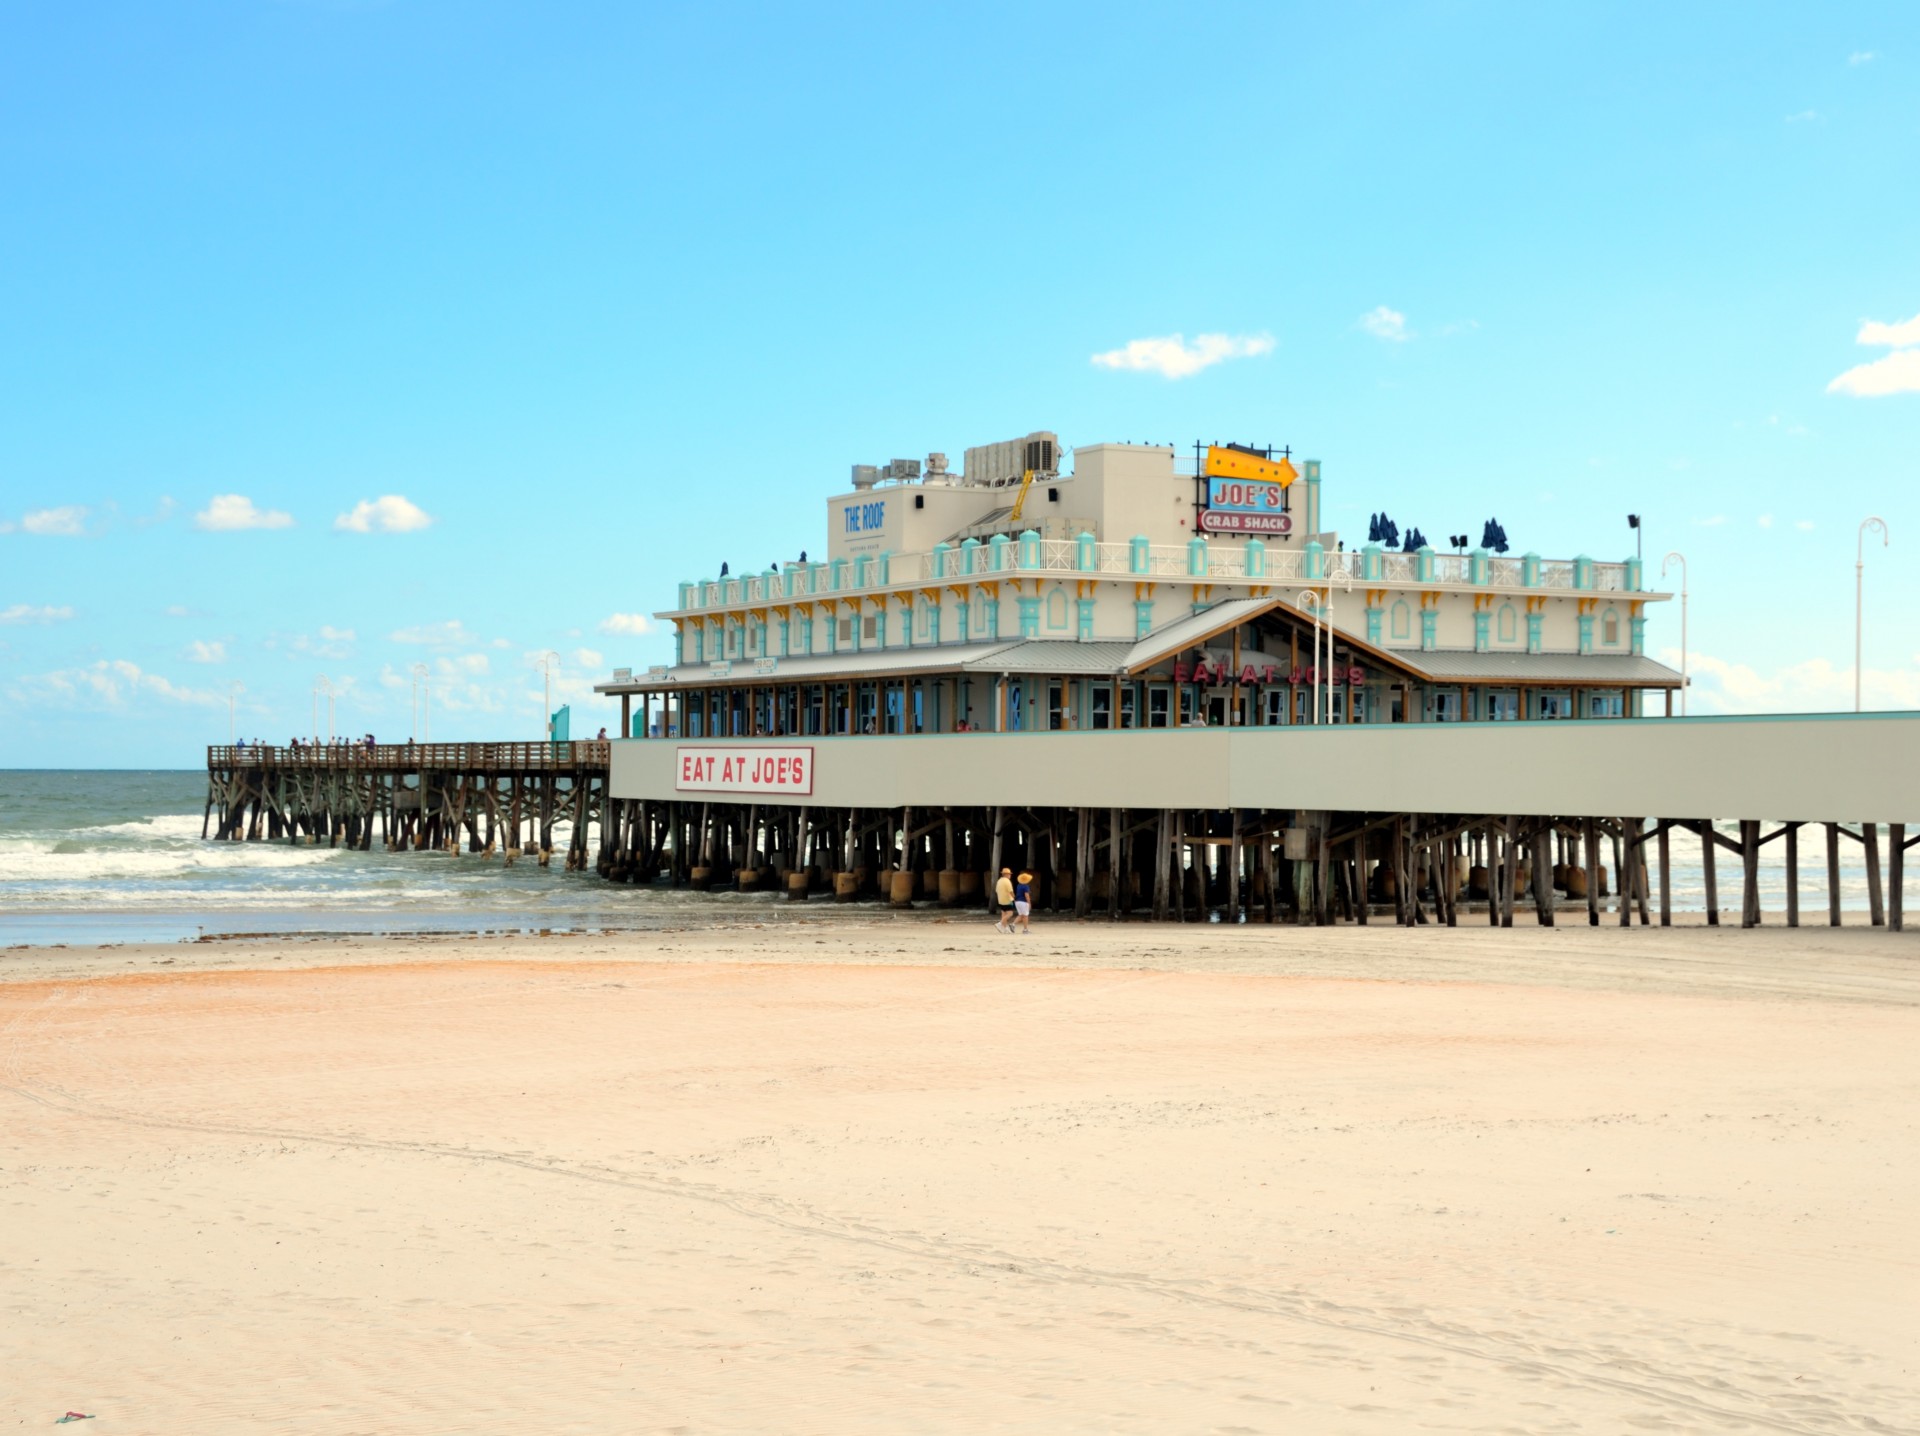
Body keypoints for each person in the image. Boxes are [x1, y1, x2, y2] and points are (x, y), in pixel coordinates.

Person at [993, 867, 1015, 933]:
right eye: (1009, 874)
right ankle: (1000, 923)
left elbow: (996, 890)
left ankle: (1004, 928)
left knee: (1004, 913)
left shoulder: (999, 881)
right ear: (1006, 874)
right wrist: (1014, 897)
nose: (1010, 875)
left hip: (1001, 900)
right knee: (1010, 913)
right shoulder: (1007, 881)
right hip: (1007, 899)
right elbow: (1010, 891)